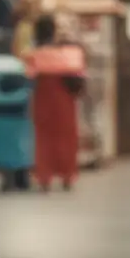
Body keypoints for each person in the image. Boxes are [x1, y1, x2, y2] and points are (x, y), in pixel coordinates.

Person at [25, 15, 86, 192]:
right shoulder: (68, 52)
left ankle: (44, 176)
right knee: (67, 137)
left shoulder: (35, 54)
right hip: (65, 100)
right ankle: (68, 175)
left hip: (43, 99)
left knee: (44, 138)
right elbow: (79, 71)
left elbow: (29, 74)